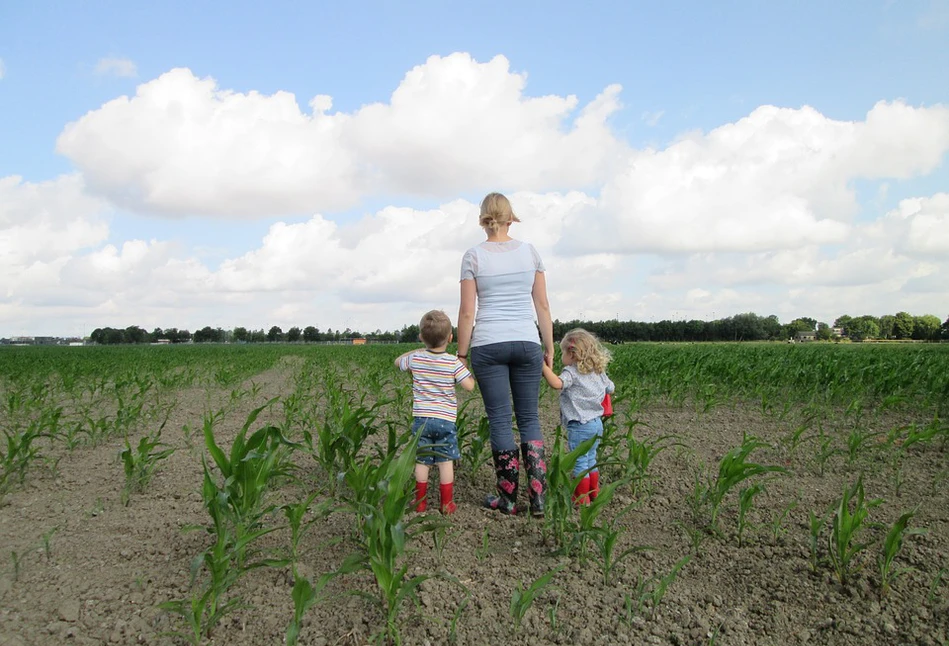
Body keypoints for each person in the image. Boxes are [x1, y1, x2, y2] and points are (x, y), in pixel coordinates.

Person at [456, 192, 555, 517]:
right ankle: (538, 499)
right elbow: (542, 305)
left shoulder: (473, 256)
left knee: (500, 419)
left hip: (488, 344)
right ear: (511, 217)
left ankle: (509, 499)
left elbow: (467, 313)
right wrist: (549, 345)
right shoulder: (530, 252)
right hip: (527, 342)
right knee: (529, 418)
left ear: (484, 220)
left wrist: (461, 353)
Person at [396, 310, 475, 514]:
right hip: (445, 420)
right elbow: (469, 386)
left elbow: (397, 362)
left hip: (421, 419)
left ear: (421, 337)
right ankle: (446, 503)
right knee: (445, 460)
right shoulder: (452, 362)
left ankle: (420, 502)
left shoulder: (416, 359)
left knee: (422, 460)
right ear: (450, 338)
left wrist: (417, 350)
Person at [541, 328, 615, 504]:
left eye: (562, 353)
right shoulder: (598, 372)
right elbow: (610, 388)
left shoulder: (571, 373)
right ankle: (593, 493)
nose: (561, 357)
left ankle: (581, 499)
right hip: (597, 424)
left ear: (572, 354)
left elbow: (557, 384)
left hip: (579, 425)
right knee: (591, 459)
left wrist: (543, 367)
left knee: (580, 461)